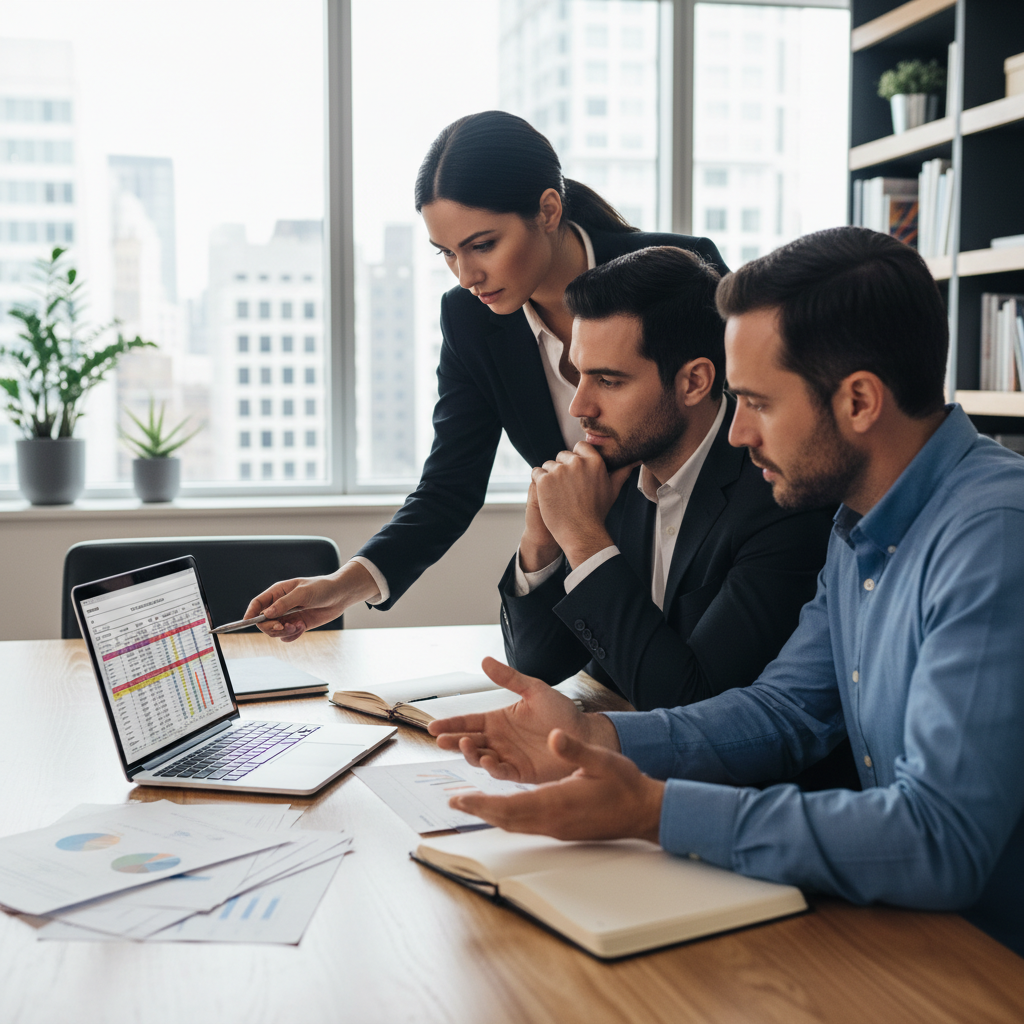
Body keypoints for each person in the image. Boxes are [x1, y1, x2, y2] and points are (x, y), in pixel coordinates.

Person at [428, 226, 1024, 955]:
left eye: (758, 402)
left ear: (860, 401)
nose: (736, 433)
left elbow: (940, 840)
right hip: (900, 921)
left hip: (988, 954)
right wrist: (595, 737)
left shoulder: (992, 537)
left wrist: (654, 812)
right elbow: (785, 711)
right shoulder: (857, 519)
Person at [242, 111, 726, 638]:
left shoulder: (680, 271)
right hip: (595, 583)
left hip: (712, 567)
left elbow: (742, 429)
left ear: (547, 210)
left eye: (482, 245)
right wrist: (342, 586)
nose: (467, 275)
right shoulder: (470, 319)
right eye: (447, 254)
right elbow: (450, 486)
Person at [500, 244, 835, 717]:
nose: (579, 407)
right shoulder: (607, 472)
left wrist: (582, 538)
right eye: (579, 376)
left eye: (609, 381)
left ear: (694, 382)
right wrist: (542, 542)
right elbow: (538, 666)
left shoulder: (779, 498)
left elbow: (693, 703)